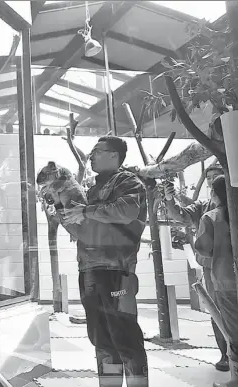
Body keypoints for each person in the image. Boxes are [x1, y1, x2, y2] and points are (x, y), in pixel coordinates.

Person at [60, 136, 148, 387]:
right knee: (101, 340)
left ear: (115, 155)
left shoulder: (130, 182)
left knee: (126, 338)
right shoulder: (90, 191)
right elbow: (82, 231)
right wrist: (60, 207)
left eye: (97, 151)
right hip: (88, 270)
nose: (91, 157)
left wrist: (86, 211)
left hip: (117, 271)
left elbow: (126, 211)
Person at [161, 162, 229, 371]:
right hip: (214, 269)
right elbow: (180, 216)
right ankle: (226, 354)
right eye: (208, 177)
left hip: (223, 266)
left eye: (216, 176)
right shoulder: (204, 207)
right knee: (218, 311)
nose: (211, 181)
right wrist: (170, 198)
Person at [195, 175, 238, 387]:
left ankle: (236, 378)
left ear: (216, 194)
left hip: (227, 280)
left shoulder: (211, 217)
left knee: (234, 332)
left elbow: (203, 248)